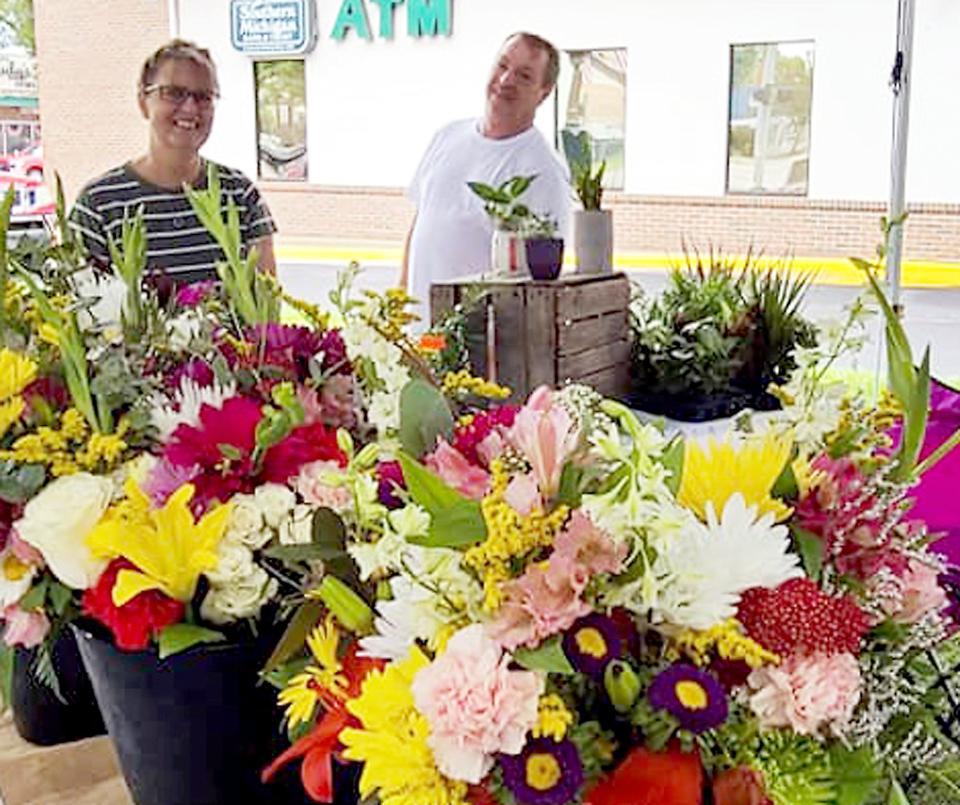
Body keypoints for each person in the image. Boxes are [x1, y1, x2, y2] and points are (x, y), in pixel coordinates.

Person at [69, 39, 276, 285]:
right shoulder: (99, 204)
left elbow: (266, 313)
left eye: (203, 97)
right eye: (174, 93)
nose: (190, 108)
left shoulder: (240, 196)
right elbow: (83, 312)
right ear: (142, 101)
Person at [400, 32, 571, 327]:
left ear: (544, 92)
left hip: (476, 348)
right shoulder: (447, 136)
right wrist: (398, 301)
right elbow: (420, 225)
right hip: (418, 336)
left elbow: (539, 285)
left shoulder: (543, 171)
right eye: (502, 66)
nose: (506, 80)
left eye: (524, 76)